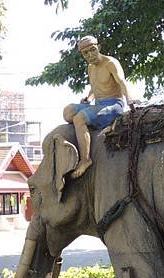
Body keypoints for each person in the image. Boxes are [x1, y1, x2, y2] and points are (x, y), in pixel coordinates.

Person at [63, 35, 137, 178]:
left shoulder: (111, 63)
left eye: (92, 50)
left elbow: (122, 82)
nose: (90, 55)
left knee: (79, 118)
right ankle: (87, 129)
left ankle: (85, 160)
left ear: (99, 47)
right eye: (85, 53)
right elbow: (95, 87)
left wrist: (130, 99)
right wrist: (88, 99)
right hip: (98, 105)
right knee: (68, 112)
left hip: (113, 105)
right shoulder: (91, 68)